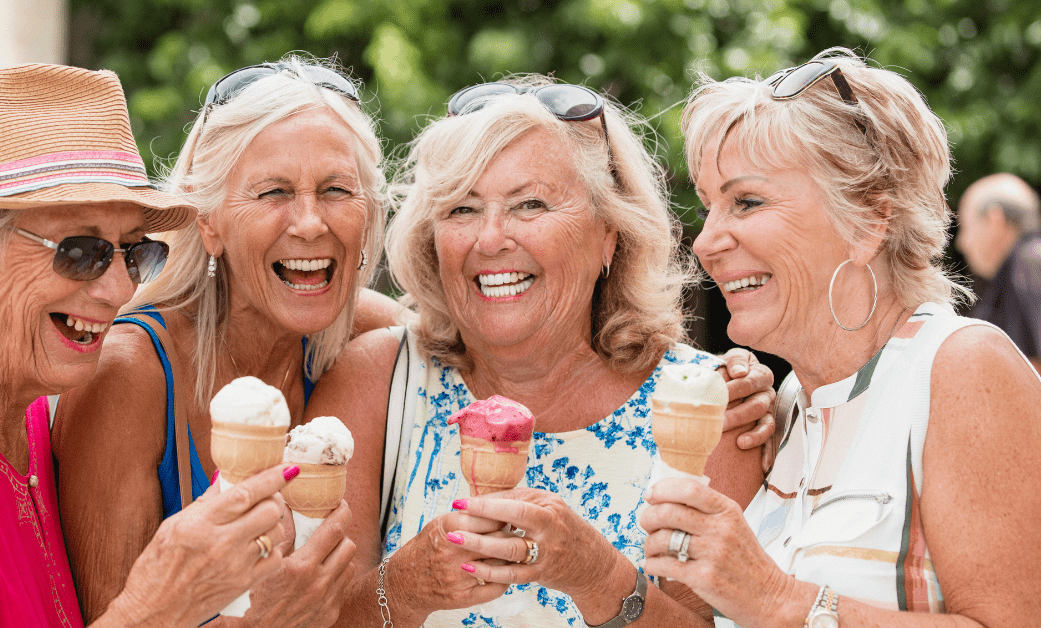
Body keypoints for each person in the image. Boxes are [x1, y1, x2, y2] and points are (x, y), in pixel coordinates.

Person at [306, 76, 778, 627]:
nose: (490, 239)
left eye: (529, 204)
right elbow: (300, 619)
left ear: (609, 235)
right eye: (462, 209)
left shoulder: (706, 408)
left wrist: (596, 576)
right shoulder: (377, 381)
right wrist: (406, 587)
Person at [0, 64, 294, 627]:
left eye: (135, 251)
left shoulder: (17, 387)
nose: (122, 288)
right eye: (80, 251)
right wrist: (154, 610)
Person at [637, 48, 1041, 627]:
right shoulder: (785, 404)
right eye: (708, 208)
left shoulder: (962, 368)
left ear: (867, 221)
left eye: (745, 201)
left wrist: (778, 601)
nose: (704, 243)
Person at [53, 57, 396, 625]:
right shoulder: (128, 375)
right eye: (273, 192)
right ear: (208, 222)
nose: (311, 223)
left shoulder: (374, 337)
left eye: (337, 189)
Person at [956, 173, 1041, 371]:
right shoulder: (1019, 266)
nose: (962, 244)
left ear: (994, 220)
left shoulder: (1030, 263)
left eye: (966, 227)